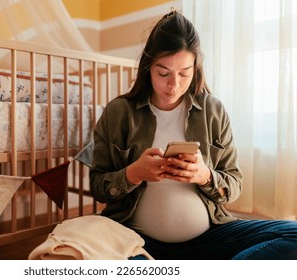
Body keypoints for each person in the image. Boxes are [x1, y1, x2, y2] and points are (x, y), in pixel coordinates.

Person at [89, 9, 297, 260]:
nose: (173, 85)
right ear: (147, 68)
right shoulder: (119, 112)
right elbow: (98, 187)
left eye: (184, 73)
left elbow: (234, 184)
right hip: (137, 242)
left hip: (209, 237)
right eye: (163, 73)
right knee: (86, 243)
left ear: (195, 69)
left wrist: (204, 175)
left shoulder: (213, 110)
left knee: (292, 234)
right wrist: (134, 173)